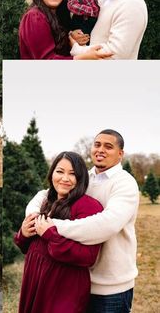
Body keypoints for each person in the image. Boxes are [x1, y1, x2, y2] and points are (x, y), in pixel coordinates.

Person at [26, 130, 139, 312]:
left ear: (120, 154)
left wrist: (52, 227)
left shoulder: (125, 183)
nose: (101, 150)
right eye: (97, 144)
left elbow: (106, 224)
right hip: (76, 280)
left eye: (108, 146)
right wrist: (33, 218)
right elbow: (44, 196)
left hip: (110, 287)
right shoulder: (83, 178)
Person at [14, 151, 103, 313]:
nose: (65, 178)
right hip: (35, 277)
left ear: (81, 178)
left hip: (63, 285)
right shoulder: (45, 201)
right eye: (60, 172)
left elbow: (88, 256)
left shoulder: (88, 206)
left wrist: (50, 235)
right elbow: (28, 247)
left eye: (72, 174)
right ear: (52, 173)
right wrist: (23, 234)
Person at [18, 0, 111, 60]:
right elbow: (46, 60)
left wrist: (70, 37)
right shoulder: (35, 17)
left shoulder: (59, 13)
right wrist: (85, 57)